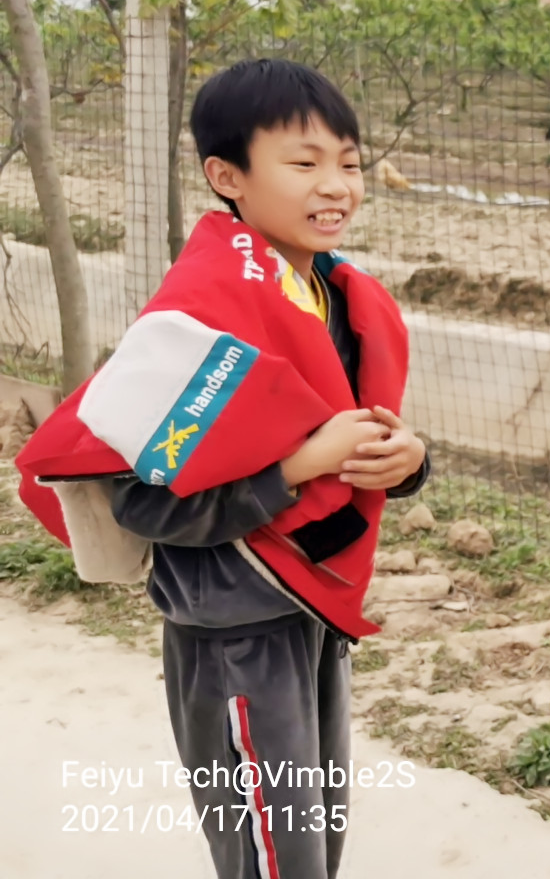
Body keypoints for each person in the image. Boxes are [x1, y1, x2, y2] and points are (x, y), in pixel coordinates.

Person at [16, 58, 429, 879]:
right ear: (226, 176)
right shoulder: (201, 316)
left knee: (312, 843)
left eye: (348, 163)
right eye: (304, 163)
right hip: (233, 627)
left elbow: (361, 439)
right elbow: (142, 499)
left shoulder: (335, 295)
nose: (337, 185)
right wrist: (299, 465)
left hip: (312, 613)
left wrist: (407, 462)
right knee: (268, 855)